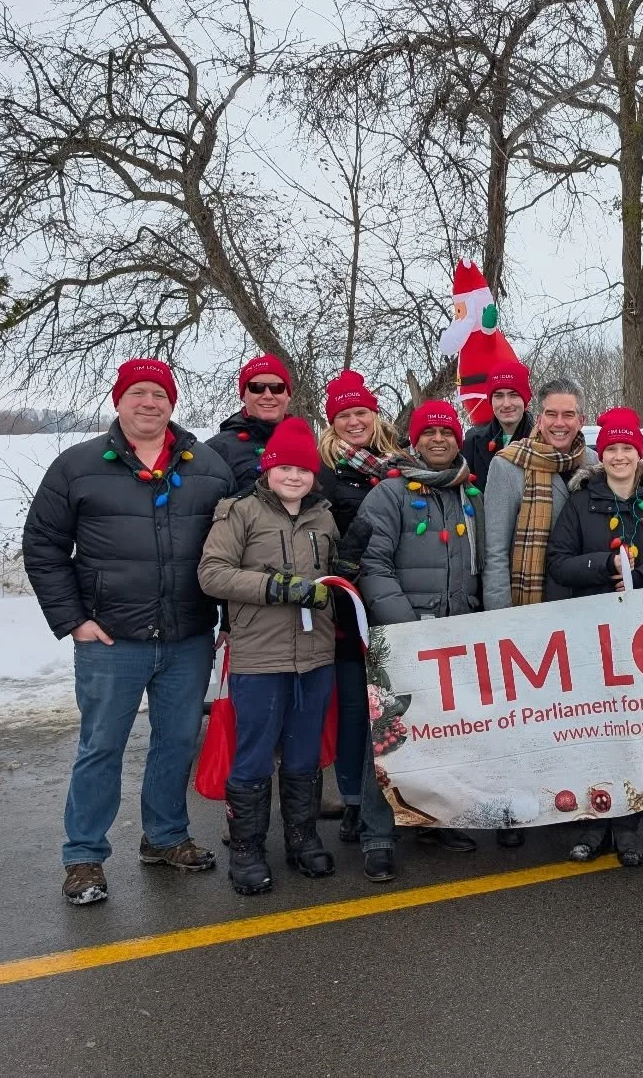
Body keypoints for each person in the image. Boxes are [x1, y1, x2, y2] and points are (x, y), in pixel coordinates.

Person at [23, 359, 234, 906]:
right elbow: (44, 548)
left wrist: (228, 621)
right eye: (137, 393)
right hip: (111, 640)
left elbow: (236, 548)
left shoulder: (207, 466)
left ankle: (164, 838)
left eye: (159, 394)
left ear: (172, 403)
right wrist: (73, 620)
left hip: (187, 636)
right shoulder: (78, 466)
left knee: (177, 742)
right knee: (101, 747)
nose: (149, 403)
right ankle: (84, 857)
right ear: (118, 401)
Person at [198, 417, 340, 895]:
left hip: (315, 655)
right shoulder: (239, 512)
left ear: (314, 474)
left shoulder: (324, 516)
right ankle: (247, 847)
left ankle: (301, 837)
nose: (294, 477)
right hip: (260, 656)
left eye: (303, 469)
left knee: (304, 752)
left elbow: (334, 574)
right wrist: (273, 588)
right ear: (268, 469)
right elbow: (212, 574)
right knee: (254, 753)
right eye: (284, 468)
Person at [546, 409, 643, 866]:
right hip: (592, 633)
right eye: (611, 449)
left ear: (638, 453)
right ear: (600, 455)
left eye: (627, 448)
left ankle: (628, 827)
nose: (620, 456)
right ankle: (592, 824)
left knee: (635, 733)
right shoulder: (580, 502)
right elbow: (559, 562)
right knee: (594, 731)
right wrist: (602, 566)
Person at [357, 399, 485, 854]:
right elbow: (371, 565)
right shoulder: (390, 494)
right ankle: (377, 835)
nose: (437, 439)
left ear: (457, 439)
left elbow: (483, 566)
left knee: (446, 731)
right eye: (429, 432)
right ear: (414, 439)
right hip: (404, 635)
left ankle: (438, 817)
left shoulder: (469, 494)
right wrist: (407, 629)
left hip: (457, 631)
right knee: (390, 734)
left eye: (446, 432)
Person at [481, 377, 596, 847]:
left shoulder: (592, 465)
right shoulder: (507, 466)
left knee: (575, 716)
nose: (560, 423)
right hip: (527, 605)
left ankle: (570, 805)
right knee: (522, 717)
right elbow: (495, 550)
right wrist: (501, 617)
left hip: (579, 609)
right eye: (552, 414)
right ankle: (516, 806)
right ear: (538, 416)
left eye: (569, 415)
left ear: (580, 419)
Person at [316, 370, 404, 879]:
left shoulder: (398, 466)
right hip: (348, 612)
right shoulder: (325, 473)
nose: (354, 421)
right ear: (333, 422)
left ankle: (399, 799)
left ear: (375, 417)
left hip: (393, 606)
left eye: (362, 413)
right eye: (345, 414)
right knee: (355, 713)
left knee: (394, 715)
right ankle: (353, 800)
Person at [206, 353, 294, 492]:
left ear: (287, 396)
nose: (268, 396)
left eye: (277, 387)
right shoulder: (216, 450)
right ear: (243, 396)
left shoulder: (308, 444)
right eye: (257, 387)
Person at [461, 360, 533, 490]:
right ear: (491, 400)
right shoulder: (472, 445)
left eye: (514, 395)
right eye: (499, 396)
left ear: (525, 399)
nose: (506, 404)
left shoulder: (543, 442)